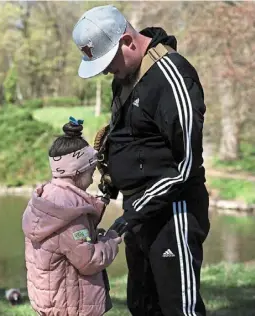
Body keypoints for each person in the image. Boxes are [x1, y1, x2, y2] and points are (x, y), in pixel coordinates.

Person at [72, 5, 210, 316]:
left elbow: (185, 165)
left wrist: (136, 207)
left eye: (109, 62)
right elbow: (131, 139)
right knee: (141, 305)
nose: (108, 71)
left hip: (174, 212)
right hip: (139, 213)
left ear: (127, 41)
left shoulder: (172, 77)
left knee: (179, 307)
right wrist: (109, 183)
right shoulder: (124, 76)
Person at [22, 117, 122, 316]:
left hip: (52, 303)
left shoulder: (48, 197)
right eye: (91, 170)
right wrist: (111, 239)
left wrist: (105, 199)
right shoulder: (69, 213)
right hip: (72, 307)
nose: (94, 176)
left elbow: (73, 235)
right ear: (78, 171)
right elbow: (89, 261)